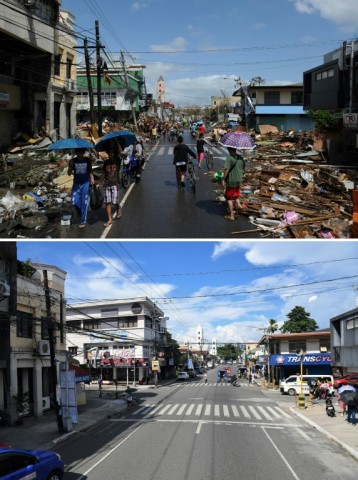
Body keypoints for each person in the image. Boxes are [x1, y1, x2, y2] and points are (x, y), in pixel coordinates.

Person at [67, 148, 94, 228]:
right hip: (76, 184)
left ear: (83, 152)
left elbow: (90, 170)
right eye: (78, 152)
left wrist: (92, 178)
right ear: (76, 153)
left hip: (85, 183)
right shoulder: (73, 161)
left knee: (84, 203)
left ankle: (82, 221)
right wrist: (71, 165)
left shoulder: (87, 160)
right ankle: (80, 212)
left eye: (81, 152)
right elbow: (69, 173)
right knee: (74, 201)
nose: (79, 154)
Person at [98, 149, 122, 227]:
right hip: (107, 184)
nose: (110, 154)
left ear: (114, 153)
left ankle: (118, 208)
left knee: (114, 202)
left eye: (112, 152)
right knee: (108, 202)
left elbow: (120, 152)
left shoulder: (117, 160)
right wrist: (99, 182)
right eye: (109, 152)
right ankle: (110, 219)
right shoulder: (106, 162)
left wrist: (116, 141)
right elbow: (104, 173)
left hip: (115, 183)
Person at [221, 146, 245, 221]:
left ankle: (232, 216)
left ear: (228, 149)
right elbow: (243, 168)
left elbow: (226, 170)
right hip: (239, 179)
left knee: (228, 197)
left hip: (231, 179)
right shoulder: (240, 157)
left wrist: (223, 179)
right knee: (235, 194)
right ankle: (240, 206)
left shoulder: (230, 158)